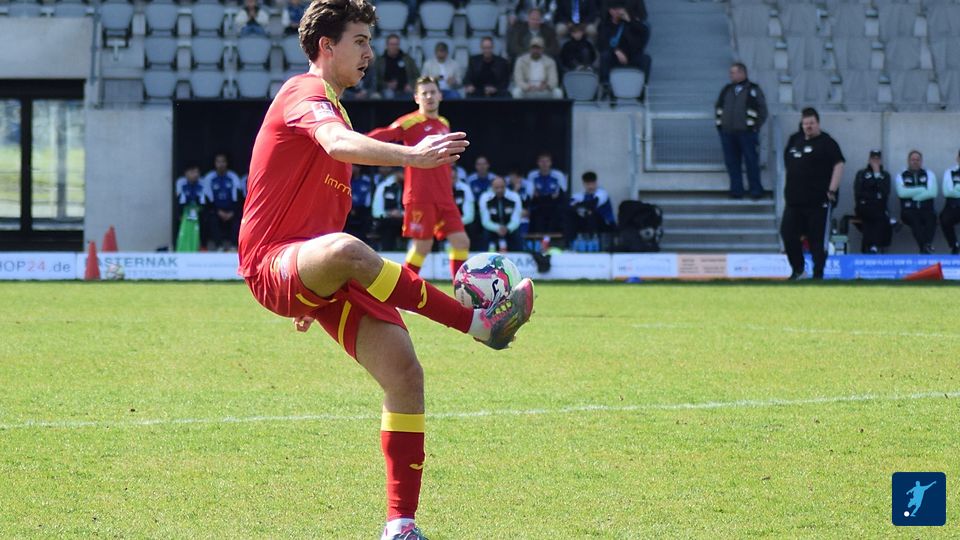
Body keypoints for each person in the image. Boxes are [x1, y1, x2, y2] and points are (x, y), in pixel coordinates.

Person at [238, 2, 535, 539]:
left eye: (370, 42)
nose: (369, 53)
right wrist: (413, 157)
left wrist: (311, 288)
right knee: (350, 250)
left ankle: (401, 525)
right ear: (326, 46)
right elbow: (335, 144)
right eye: (359, 41)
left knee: (404, 374)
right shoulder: (304, 93)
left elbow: (320, 208)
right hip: (272, 261)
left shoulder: (337, 108)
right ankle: (477, 323)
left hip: (311, 271)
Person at [367, 76, 472, 280]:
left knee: (461, 242)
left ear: (440, 95)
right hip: (421, 196)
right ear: (416, 98)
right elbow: (386, 134)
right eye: (424, 93)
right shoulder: (410, 122)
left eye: (433, 92)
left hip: (445, 196)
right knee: (422, 246)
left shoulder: (444, 123)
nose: (429, 96)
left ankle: (461, 292)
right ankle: (401, 291)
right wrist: (358, 141)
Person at [780, 107, 844, 280]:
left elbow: (839, 165)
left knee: (817, 239)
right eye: (805, 123)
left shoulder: (827, 142)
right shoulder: (794, 140)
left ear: (818, 123)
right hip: (794, 201)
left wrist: (832, 189)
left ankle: (818, 274)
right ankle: (798, 269)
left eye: (811, 123)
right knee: (787, 233)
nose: (808, 126)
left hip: (818, 201)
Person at [715, 62, 768, 200]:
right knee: (732, 162)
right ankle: (736, 190)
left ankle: (755, 190)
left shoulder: (754, 89)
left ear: (742, 73)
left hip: (747, 134)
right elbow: (719, 107)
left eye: (733, 72)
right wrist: (720, 127)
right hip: (728, 133)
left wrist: (754, 127)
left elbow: (762, 110)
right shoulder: (726, 89)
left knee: (751, 161)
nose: (730, 75)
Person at [596, 0, 649, 85]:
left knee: (645, 59)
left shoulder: (631, 24)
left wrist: (629, 21)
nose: (617, 12)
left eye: (619, 9)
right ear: (610, 11)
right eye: (615, 9)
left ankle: (642, 85)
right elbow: (601, 44)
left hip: (631, 54)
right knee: (605, 56)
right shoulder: (604, 25)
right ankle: (605, 84)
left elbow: (641, 38)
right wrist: (616, 51)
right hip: (613, 55)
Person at [895, 150, 938, 254]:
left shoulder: (929, 174)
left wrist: (912, 195)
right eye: (913, 159)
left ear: (921, 161)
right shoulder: (901, 175)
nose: (915, 162)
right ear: (908, 161)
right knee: (915, 220)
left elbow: (933, 193)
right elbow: (902, 193)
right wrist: (922, 189)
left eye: (918, 160)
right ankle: (925, 248)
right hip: (909, 210)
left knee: (932, 218)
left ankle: (925, 248)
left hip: (926, 209)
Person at [853, 150, 892, 254]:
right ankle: (873, 245)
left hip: (879, 207)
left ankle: (869, 246)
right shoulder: (862, 174)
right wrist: (875, 194)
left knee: (877, 216)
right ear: (869, 160)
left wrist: (877, 175)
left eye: (877, 159)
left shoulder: (885, 175)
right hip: (864, 206)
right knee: (875, 215)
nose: (875, 161)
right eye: (873, 159)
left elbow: (885, 192)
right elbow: (859, 192)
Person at [203, 153, 244, 251]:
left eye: (223, 161)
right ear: (214, 163)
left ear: (227, 163)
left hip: (231, 210)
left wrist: (231, 212)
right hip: (216, 210)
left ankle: (234, 246)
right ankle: (219, 246)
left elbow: (237, 198)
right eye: (218, 162)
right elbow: (208, 199)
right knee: (211, 218)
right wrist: (218, 212)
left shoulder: (233, 177)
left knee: (239, 218)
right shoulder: (209, 178)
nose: (221, 164)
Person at [565, 171, 616, 248]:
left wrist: (580, 207)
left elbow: (593, 204)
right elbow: (570, 206)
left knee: (591, 213)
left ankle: (593, 243)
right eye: (588, 184)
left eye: (592, 184)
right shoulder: (579, 195)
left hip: (605, 224)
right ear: (584, 184)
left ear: (596, 183)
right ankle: (570, 243)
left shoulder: (602, 193)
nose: (590, 187)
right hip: (586, 222)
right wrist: (581, 209)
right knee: (569, 214)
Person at [479, 176, 524, 252]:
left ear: (505, 186)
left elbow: (516, 219)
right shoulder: (485, 197)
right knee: (485, 233)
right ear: (492, 187)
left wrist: (507, 228)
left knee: (517, 233)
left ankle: (519, 255)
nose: (499, 190)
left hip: (509, 228)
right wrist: (497, 228)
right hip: (492, 228)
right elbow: (485, 221)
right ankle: (483, 256)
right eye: (496, 188)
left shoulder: (514, 197)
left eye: (502, 187)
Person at [527, 152, 568, 232]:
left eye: (547, 161)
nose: (544, 164)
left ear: (551, 163)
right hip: (538, 204)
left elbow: (562, 192)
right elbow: (531, 193)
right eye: (542, 161)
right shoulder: (532, 175)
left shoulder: (558, 175)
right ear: (538, 163)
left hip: (554, 204)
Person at [174, 164, 210, 252]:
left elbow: (204, 202)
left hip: (198, 212)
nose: (195, 175)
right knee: (178, 222)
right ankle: (179, 247)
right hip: (186, 212)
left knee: (206, 219)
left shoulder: (202, 184)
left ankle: (203, 246)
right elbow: (180, 201)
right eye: (192, 172)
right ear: (186, 173)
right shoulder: (181, 184)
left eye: (197, 172)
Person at [374, 34, 419, 99]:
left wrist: (411, 85)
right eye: (392, 44)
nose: (394, 47)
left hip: (405, 90)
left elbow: (417, 76)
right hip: (386, 91)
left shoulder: (408, 60)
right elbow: (375, 79)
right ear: (387, 45)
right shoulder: (380, 61)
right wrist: (387, 85)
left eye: (396, 44)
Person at [372, 169, 405, 251]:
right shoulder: (386, 186)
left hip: (401, 218)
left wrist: (402, 213)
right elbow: (379, 211)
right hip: (385, 219)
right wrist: (390, 213)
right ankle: (387, 252)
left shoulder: (403, 186)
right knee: (389, 228)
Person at [346, 164, 374, 246]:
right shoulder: (346, 179)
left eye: (355, 166)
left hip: (362, 210)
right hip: (347, 210)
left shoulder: (366, 181)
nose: (353, 168)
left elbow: (368, 198)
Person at [939, 149, 960, 255]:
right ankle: (954, 245)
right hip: (953, 205)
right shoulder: (950, 172)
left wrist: (956, 187)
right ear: (958, 158)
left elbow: (953, 190)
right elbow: (947, 192)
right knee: (944, 218)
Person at [451, 167, 475, 236]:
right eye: (449, 177)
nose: (451, 181)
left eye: (454, 178)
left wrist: (454, 224)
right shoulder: (438, 189)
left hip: (460, 223)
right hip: (443, 224)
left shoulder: (465, 189)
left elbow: (469, 216)